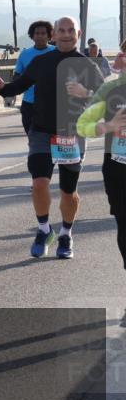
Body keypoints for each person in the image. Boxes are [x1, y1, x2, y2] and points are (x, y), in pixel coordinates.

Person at [0, 16, 105, 259]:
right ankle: (44, 229)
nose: (66, 34)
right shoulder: (42, 61)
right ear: (54, 35)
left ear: (79, 33)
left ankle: (65, 234)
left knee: (67, 191)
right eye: (61, 30)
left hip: (71, 135)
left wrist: (86, 93)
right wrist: (1, 89)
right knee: (39, 183)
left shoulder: (86, 65)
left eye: (70, 30)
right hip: (41, 130)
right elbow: (18, 86)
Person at [77, 40, 126, 271]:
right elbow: (83, 125)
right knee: (124, 228)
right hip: (117, 169)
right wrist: (108, 126)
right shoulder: (110, 90)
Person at [13, 21, 56, 134]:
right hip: (29, 103)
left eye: (43, 33)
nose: (40, 36)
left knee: (51, 139)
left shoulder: (56, 52)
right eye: (37, 33)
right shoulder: (25, 54)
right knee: (32, 138)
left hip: (51, 104)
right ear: (32, 36)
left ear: (49, 36)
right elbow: (17, 75)